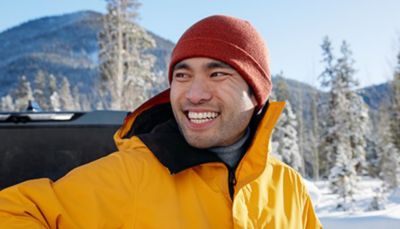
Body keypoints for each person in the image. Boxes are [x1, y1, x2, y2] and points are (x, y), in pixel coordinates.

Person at [0, 15, 322, 228]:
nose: (194, 94)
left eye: (217, 73)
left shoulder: (287, 185)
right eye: (182, 75)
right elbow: (12, 212)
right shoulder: (134, 173)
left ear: (256, 93)